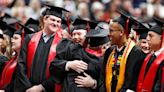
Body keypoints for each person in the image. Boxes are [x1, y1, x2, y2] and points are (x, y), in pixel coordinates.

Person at [14, 4, 69, 92]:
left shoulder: (63, 43)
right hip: (27, 88)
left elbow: (59, 70)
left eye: (58, 21)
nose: (55, 23)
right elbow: (21, 64)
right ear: (45, 19)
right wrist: (28, 88)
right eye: (53, 20)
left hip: (49, 89)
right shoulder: (30, 38)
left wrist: (41, 87)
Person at [50, 18, 103, 92]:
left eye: (79, 34)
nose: (75, 37)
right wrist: (68, 64)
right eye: (73, 34)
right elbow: (54, 65)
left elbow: (104, 77)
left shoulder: (98, 53)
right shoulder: (67, 49)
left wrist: (93, 83)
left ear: (88, 35)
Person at [99, 9, 145, 92]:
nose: (108, 34)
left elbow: (131, 82)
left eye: (111, 31)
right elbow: (102, 77)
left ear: (121, 32)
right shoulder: (109, 51)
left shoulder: (136, 53)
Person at [136, 17, 164, 92]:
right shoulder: (149, 57)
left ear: (161, 38)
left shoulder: (162, 60)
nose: (147, 38)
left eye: (151, 36)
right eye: (148, 35)